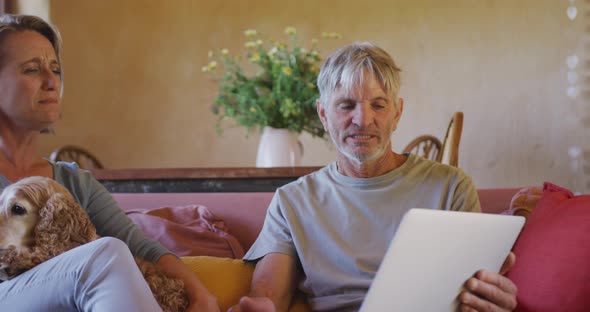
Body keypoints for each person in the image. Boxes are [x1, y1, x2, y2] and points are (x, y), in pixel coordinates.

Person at [229, 42, 518, 312]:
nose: (363, 120)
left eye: (378, 105)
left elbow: (475, 291)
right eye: (346, 105)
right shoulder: (292, 201)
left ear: (397, 113)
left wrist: (489, 299)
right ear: (323, 114)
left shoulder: (452, 186)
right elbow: (267, 294)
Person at [0, 14, 220, 311]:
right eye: (32, 69)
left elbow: (139, 246)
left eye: (55, 69)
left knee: (112, 251)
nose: (52, 82)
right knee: (104, 253)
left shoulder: (75, 181)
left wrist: (202, 296)